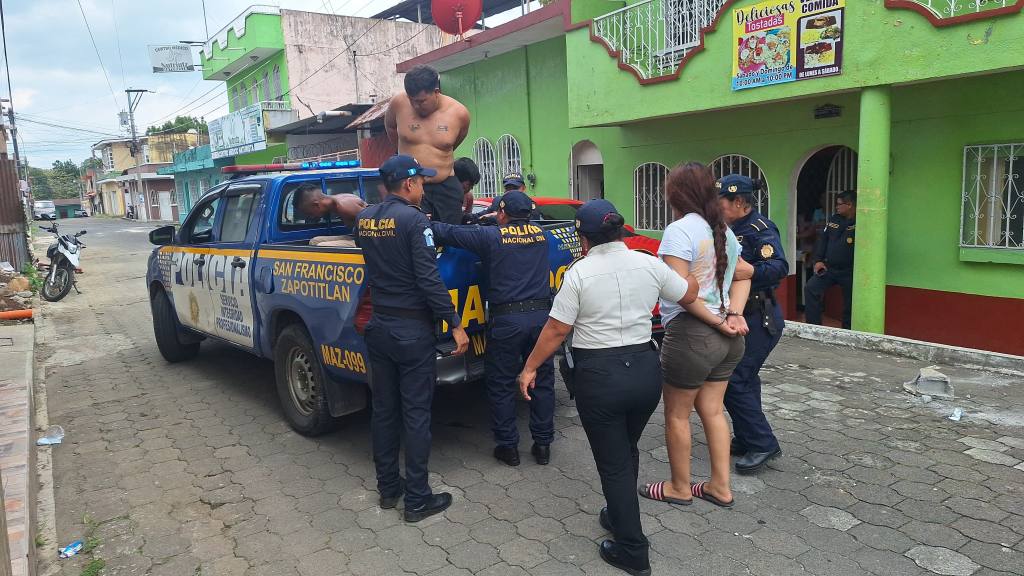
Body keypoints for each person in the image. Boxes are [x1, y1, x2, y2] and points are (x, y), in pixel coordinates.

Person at [518, 199, 699, 576]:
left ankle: (633, 549)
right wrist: (697, 271)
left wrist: (530, 367)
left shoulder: (580, 273)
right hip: (646, 372)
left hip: (600, 376)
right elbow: (689, 294)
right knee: (625, 448)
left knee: (614, 463)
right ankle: (618, 515)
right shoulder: (648, 262)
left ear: (583, 239)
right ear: (620, 230)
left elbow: (556, 330)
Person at [355, 154, 470, 523]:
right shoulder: (413, 220)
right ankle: (418, 498)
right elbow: (427, 279)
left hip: (380, 327)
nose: (424, 186)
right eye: (421, 181)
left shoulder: (365, 219)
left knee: (384, 411)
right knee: (416, 414)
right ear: (408, 184)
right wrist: (454, 322)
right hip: (410, 332)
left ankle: (389, 488)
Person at [638, 162, 752, 511]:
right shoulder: (724, 232)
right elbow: (746, 274)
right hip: (729, 340)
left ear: (675, 193)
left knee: (676, 414)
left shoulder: (679, 230)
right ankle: (720, 486)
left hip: (693, 335)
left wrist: (721, 321)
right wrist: (733, 313)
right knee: (714, 411)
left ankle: (679, 487)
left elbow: (681, 293)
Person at [431, 190, 555, 467]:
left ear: (501, 213)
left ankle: (508, 447)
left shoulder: (490, 236)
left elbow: (446, 233)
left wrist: (426, 220)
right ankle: (543, 445)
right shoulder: (541, 236)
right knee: (542, 380)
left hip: (507, 321)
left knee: (500, 382)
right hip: (541, 320)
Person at [718, 175, 787, 474]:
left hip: (759, 317)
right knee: (746, 379)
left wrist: (748, 271)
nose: (716, 205)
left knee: (735, 379)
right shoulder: (727, 230)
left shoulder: (761, 229)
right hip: (738, 315)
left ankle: (763, 443)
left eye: (721, 200)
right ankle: (748, 437)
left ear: (739, 202)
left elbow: (779, 267)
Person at [385, 65, 471, 225]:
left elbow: (456, 141)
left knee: (450, 237)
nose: (416, 106)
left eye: (421, 101)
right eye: (412, 101)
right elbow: (390, 127)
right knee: (411, 232)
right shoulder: (398, 104)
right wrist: (401, 152)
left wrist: (440, 154)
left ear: (436, 92)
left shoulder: (459, 113)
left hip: (445, 185)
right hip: (409, 185)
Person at [805, 190, 856, 329]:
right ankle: (814, 328)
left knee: (850, 303)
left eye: (839, 204)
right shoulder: (834, 219)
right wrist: (818, 260)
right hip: (830, 268)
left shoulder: (859, 222)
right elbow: (823, 240)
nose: (836, 207)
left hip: (850, 271)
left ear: (850, 205)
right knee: (811, 288)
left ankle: (848, 331)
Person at [292, 183, 367, 227]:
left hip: (367, 242)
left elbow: (373, 226)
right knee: (316, 241)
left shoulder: (344, 206)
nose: (311, 217)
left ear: (316, 205)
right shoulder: (334, 204)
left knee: (321, 245)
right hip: (358, 237)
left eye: (309, 213)